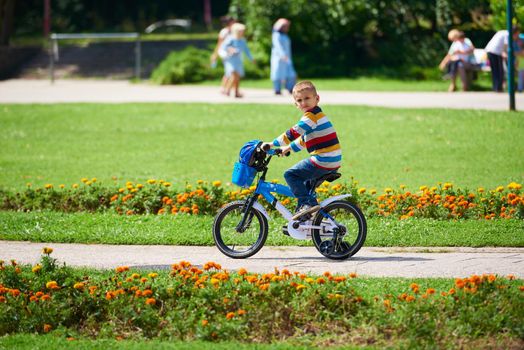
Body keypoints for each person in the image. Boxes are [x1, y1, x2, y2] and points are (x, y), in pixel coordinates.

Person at [262, 81, 342, 220]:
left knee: (291, 175)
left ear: (317, 98)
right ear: (296, 104)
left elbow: (294, 132)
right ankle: (310, 218)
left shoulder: (311, 116)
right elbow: (304, 140)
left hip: (323, 159)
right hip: (332, 159)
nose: (303, 102)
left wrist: (272, 144)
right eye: (299, 100)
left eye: (307, 98)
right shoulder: (317, 115)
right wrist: (288, 148)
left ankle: (307, 206)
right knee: (304, 188)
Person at [219, 23, 254, 98]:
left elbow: (246, 50)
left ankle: (236, 92)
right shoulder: (230, 38)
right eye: (241, 31)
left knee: (237, 77)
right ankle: (227, 90)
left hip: (238, 60)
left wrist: (251, 58)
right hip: (230, 60)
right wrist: (231, 49)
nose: (243, 32)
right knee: (233, 75)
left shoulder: (242, 40)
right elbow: (223, 47)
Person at [485, 27, 520, 92]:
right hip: (495, 52)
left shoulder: (503, 32)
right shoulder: (507, 35)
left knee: (496, 71)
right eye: (517, 33)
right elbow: (506, 48)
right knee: (499, 71)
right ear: (514, 32)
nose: (518, 35)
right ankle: (498, 88)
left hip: (492, 51)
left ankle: (497, 87)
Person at [270, 18, 297, 95]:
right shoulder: (276, 35)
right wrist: (282, 55)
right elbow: (278, 46)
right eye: (285, 26)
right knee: (277, 74)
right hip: (279, 58)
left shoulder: (285, 36)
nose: (287, 28)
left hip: (287, 58)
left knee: (291, 74)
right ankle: (277, 89)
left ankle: (290, 88)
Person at [211, 16, 235, 95]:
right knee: (230, 71)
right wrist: (215, 55)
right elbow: (219, 44)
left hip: (232, 54)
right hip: (225, 53)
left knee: (230, 71)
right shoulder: (224, 32)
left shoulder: (234, 31)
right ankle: (225, 88)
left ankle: (226, 88)